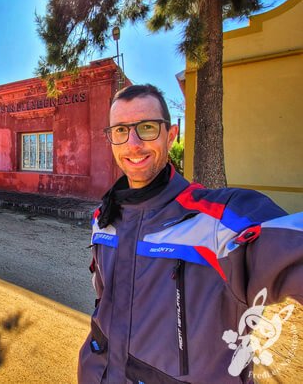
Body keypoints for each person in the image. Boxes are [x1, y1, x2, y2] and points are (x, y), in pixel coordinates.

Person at [78, 84, 303, 383]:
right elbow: (104, 300)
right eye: (120, 130)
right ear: (111, 140)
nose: (132, 143)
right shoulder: (104, 218)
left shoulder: (220, 220)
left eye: (146, 127)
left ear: (171, 136)